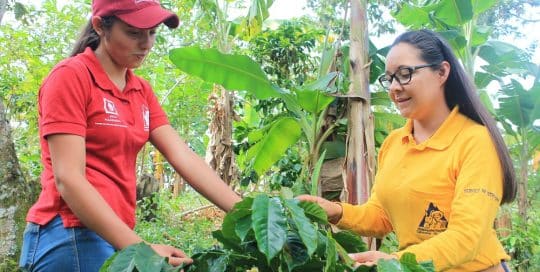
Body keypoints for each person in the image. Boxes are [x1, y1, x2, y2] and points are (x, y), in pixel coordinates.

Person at [18, 0, 241, 271]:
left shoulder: (140, 90)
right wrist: (141, 249)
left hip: (112, 234)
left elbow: (182, 155)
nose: (146, 44)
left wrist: (250, 212)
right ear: (100, 27)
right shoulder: (71, 77)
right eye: (134, 33)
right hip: (69, 233)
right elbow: (69, 179)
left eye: (152, 32)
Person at [299, 29, 516, 272]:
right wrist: (336, 212)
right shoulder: (394, 143)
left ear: (442, 72)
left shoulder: (475, 141)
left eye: (405, 74)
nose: (394, 87)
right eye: (389, 78)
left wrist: (395, 261)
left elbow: (467, 238)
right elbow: (381, 215)